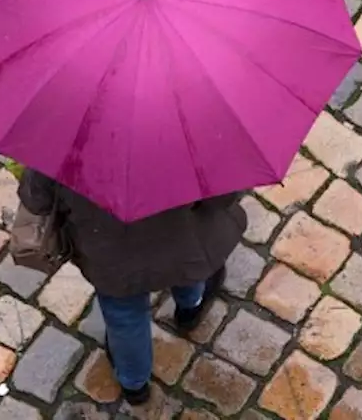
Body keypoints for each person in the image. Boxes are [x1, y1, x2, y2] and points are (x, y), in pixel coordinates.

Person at [16, 168, 247, 406]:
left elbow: (37, 200)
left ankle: (134, 385)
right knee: (189, 274)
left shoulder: (63, 142)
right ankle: (190, 310)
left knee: (125, 319)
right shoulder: (194, 140)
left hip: (112, 259)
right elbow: (224, 197)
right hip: (182, 241)